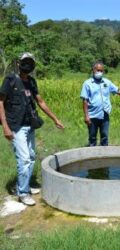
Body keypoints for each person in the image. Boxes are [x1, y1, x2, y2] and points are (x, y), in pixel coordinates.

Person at [0, 52, 65, 206]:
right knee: (23, 160)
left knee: (31, 156)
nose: (27, 65)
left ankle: (25, 186)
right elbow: (0, 102)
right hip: (16, 126)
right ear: (18, 63)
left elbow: (40, 102)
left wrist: (55, 119)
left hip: (30, 125)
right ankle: (23, 193)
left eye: (30, 62)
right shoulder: (10, 80)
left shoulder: (31, 82)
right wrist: (5, 127)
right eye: (25, 62)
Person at [80, 62, 120, 146]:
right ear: (93, 70)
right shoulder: (87, 83)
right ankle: (92, 154)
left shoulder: (107, 82)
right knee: (92, 137)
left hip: (105, 114)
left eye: (101, 71)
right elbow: (85, 100)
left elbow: (118, 91)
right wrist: (86, 115)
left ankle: (104, 155)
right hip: (92, 115)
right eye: (98, 70)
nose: (99, 72)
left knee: (104, 136)